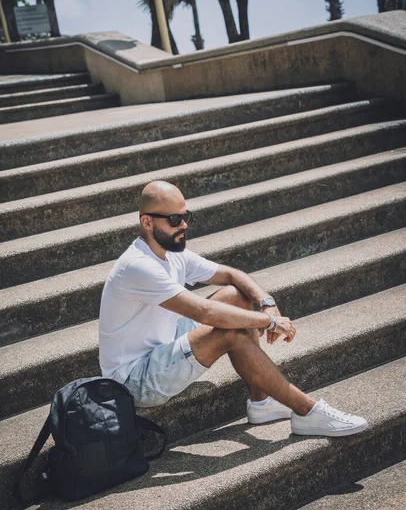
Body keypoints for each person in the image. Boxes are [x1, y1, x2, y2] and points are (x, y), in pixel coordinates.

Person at [99, 181, 368, 437]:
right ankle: (308, 411)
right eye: (174, 220)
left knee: (235, 296)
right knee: (231, 333)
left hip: (163, 342)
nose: (184, 225)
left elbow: (231, 274)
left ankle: (261, 403)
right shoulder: (137, 266)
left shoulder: (172, 252)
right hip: (133, 380)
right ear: (147, 222)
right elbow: (205, 313)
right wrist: (269, 323)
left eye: (186, 216)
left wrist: (268, 305)